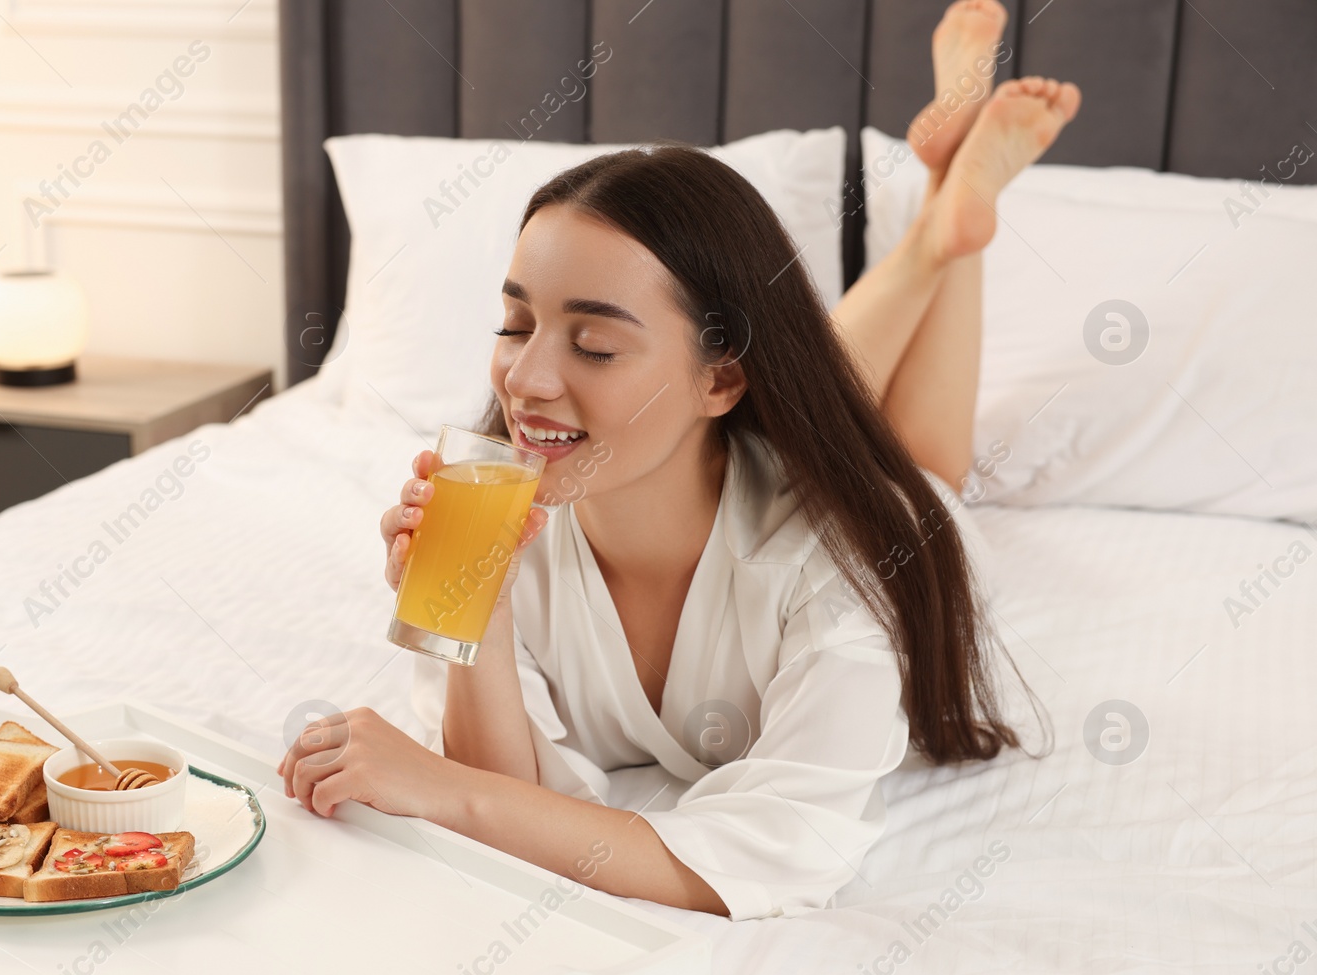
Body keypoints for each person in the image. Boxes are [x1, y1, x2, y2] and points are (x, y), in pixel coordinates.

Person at [279, 0, 1077, 920]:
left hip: (887, 510)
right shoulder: (489, 506)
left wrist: (444, 789)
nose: (525, 379)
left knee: (923, 466)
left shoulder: (838, 567)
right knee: (828, 400)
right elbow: (507, 796)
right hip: (716, 428)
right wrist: (475, 615)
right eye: (514, 324)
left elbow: (771, 851)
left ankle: (946, 230)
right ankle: (949, 208)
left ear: (723, 381)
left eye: (595, 346)